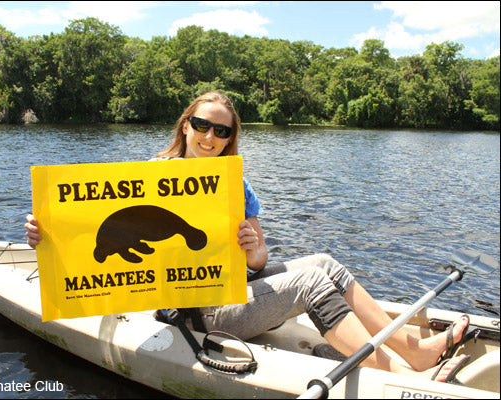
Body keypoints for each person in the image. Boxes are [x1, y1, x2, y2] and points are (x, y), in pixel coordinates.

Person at [25, 91, 471, 382]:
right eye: (203, 125)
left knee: (325, 263)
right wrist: (44, 235)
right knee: (311, 282)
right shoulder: (146, 179)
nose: (211, 136)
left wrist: (256, 251)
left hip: (232, 293)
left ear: (229, 138)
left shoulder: (235, 186)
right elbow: (81, 230)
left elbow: (257, 263)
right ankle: (400, 376)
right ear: (186, 125)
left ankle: (413, 351)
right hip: (194, 314)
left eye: (223, 131)